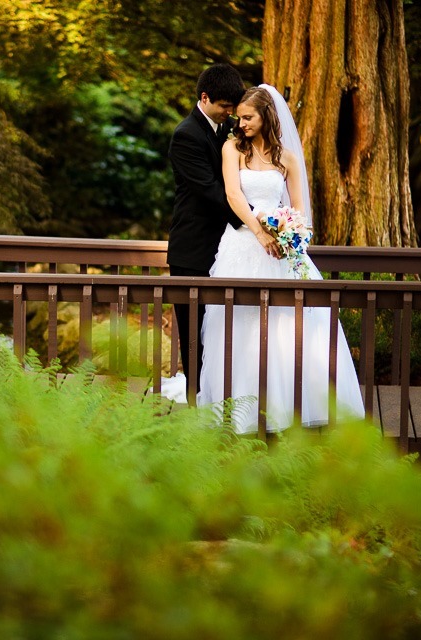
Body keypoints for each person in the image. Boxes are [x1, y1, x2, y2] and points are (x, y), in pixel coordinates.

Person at [197, 85, 365, 433]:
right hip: (243, 244)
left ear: (267, 116)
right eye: (239, 117)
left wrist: (291, 233)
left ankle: (288, 406)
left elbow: (299, 208)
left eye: (248, 117)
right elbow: (232, 194)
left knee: (289, 325)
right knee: (240, 325)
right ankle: (239, 411)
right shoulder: (233, 149)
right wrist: (260, 231)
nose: (240, 123)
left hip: (282, 249)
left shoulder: (286, 157)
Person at [167, 64, 246, 394]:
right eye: (225, 107)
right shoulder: (186, 135)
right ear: (204, 97)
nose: (230, 114)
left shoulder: (230, 130)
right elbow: (212, 190)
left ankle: (221, 394)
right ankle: (195, 399)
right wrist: (253, 222)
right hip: (194, 248)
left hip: (227, 250)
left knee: (221, 329)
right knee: (192, 331)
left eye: (232, 108)